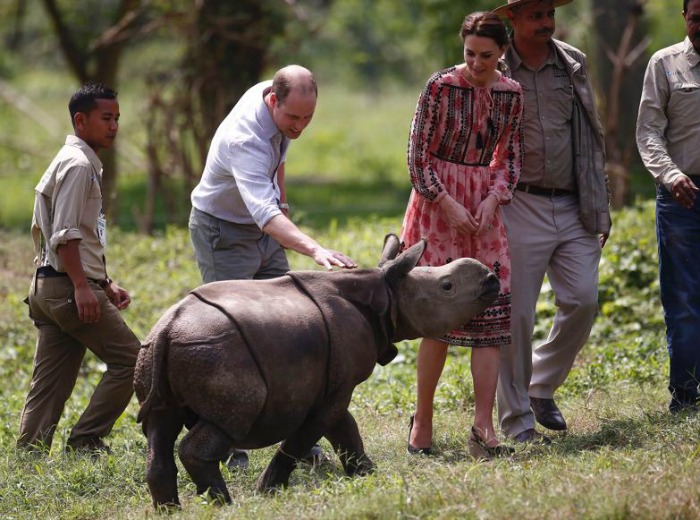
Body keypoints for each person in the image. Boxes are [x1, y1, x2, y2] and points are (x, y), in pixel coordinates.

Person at [189, 64, 356, 469]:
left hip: (265, 232)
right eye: (293, 118)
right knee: (231, 339)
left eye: (308, 118)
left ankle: (299, 438)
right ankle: (227, 444)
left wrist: (282, 199)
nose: (300, 126)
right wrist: (315, 250)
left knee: (288, 325)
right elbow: (263, 214)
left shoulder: (273, 95)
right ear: (271, 101)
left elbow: (278, 157)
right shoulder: (245, 138)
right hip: (223, 232)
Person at [401, 11, 523, 459]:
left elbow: (510, 157)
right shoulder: (438, 87)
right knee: (439, 316)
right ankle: (423, 420)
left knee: (490, 318)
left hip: (483, 210)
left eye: (486, 56)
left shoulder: (512, 95)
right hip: (438, 206)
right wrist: (446, 202)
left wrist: (493, 200)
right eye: (469, 53)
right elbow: (416, 155)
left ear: (502, 52)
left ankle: (483, 430)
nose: (476, 63)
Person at [493, 0, 611, 444]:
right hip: (518, 203)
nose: (546, 22)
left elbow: (592, 134)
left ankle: (540, 385)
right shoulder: (496, 65)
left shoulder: (572, 62)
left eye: (549, 14)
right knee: (516, 314)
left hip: (574, 203)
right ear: (513, 18)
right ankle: (518, 420)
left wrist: (600, 201)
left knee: (582, 300)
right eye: (535, 15)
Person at [17, 82, 140, 456]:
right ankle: (86, 439)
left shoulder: (71, 160)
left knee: (50, 382)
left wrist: (104, 283)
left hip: (47, 288)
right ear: (81, 120)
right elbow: (66, 235)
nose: (114, 126)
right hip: (68, 287)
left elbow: (75, 235)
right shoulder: (79, 164)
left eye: (117, 118)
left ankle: (29, 455)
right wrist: (83, 287)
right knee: (134, 361)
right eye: (106, 118)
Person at [636, 0, 700, 413]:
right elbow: (648, 131)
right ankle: (686, 395)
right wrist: (670, 174)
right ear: (684, 18)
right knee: (684, 300)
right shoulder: (665, 63)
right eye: (696, 18)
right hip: (683, 196)